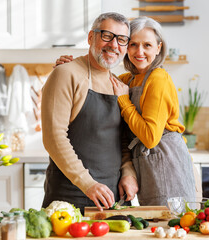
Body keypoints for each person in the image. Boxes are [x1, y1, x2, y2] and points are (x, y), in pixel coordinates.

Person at [56, 16, 199, 206]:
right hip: (147, 166)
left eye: (147, 45)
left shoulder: (159, 78)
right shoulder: (128, 79)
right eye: (133, 44)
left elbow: (149, 138)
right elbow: (98, 73)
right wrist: (69, 68)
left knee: (172, 226)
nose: (139, 52)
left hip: (168, 164)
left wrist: (124, 100)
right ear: (125, 48)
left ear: (158, 48)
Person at [41, 12, 138, 213]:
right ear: (90, 37)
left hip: (112, 200)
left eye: (121, 40)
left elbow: (121, 141)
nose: (113, 45)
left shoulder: (120, 86)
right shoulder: (66, 74)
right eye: (106, 35)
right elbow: (53, 138)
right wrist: (87, 184)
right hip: (69, 197)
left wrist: (128, 172)